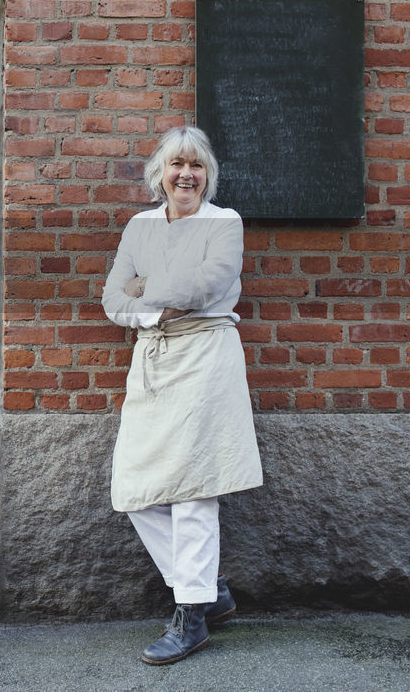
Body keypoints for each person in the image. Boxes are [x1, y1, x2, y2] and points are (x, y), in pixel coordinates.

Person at [101, 125, 262, 666]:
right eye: (176, 165)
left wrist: (149, 289)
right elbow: (112, 298)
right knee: (134, 484)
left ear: (207, 174)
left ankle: (190, 616)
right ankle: (208, 591)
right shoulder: (140, 226)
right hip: (153, 360)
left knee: (194, 487)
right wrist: (151, 302)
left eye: (195, 165)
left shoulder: (225, 223)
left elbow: (208, 287)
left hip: (205, 357)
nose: (185, 174)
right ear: (160, 175)